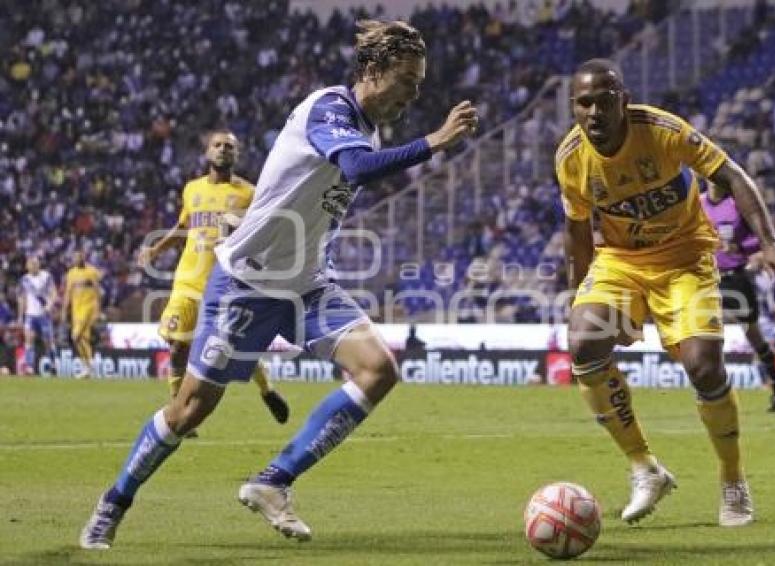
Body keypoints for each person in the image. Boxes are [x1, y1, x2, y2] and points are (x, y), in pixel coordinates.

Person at [80, 19, 478, 550]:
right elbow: (357, 168)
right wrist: (435, 141)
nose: (415, 92)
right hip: (246, 282)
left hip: (307, 286)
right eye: (408, 79)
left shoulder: (373, 130)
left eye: (420, 83)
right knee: (190, 409)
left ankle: (273, 482)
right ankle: (112, 505)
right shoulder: (330, 109)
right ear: (375, 71)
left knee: (378, 369)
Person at [556, 59, 775, 528]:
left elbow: (732, 175)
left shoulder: (662, 130)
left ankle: (732, 478)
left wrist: (770, 242)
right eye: (583, 103)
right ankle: (645, 468)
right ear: (574, 106)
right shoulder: (570, 158)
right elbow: (577, 227)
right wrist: (579, 293)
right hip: (621, 263)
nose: (593, 112)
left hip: (685, 260)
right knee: (584, 341)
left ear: (622, 99)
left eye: (603, 101)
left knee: (704, 366)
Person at [137, 130, 289, 429]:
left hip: (223, 284)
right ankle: (177, 408)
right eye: (217, 145)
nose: (223, 150)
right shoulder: (191, 190)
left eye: (229, 147)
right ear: (208, 152)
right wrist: (156, 248)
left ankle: (267, 390)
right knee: (177, 347)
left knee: (228, 345)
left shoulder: (249, 193)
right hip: (187, 281)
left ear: (237, 154)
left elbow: (264, 232)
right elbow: (183, 225)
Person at [700, 181, 775, 411]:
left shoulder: (736, 205)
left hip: (736, 278)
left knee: (754, 335)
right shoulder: (698, 204)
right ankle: (710, 392)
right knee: (705, 335)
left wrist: (739, 247)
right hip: (707, 279)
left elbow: (758, 239)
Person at [62, 251, 102, 379]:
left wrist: (97, 310)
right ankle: (88, 368)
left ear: (84, 258)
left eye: (80, 257)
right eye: (76, 257)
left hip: (88, 309)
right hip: (76, 311)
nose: (78, 259)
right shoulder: (71, 274)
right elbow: (68, 293)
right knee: (82, 339)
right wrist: (64, 310)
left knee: (75, 336)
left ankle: (88, 366)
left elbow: (97, 291)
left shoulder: (92, 272)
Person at [18, 257, 58, 376]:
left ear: (39, 264)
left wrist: (49, 305)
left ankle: (53, 364)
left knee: (48, 341)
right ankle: (29, 367)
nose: (34, 266)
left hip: (43, 315)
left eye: (36, 263)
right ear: (27, 266)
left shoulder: (46, 276)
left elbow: (54, 293)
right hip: (30, 315)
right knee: (29, 339)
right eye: (31, 264)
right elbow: (22, 298)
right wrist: (20, 316)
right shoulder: (24, 280)